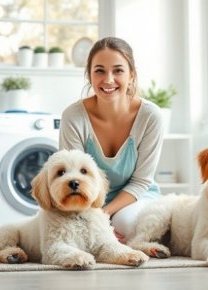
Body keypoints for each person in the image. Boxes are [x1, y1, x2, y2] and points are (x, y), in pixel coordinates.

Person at [59, 36, 165, 243]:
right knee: (66, 234)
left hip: (135, 197)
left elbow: (141, 181)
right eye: (99, 70)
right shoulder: (73, 116)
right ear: (89, 75)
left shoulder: (151, 116)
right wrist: (92, 216)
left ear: (131, 75)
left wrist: (104, 215)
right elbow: (72, 179)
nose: (108, 79)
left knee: (125, 224)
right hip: (84, 200)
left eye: (118, 70)